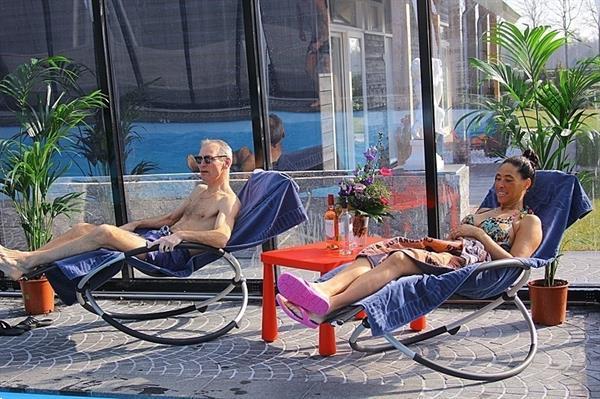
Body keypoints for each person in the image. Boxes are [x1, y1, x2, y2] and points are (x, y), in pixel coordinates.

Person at [276, 150, 544, 328]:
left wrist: (478, 234)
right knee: (380, 250)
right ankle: (323, 290)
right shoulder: (486, 210)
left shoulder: (528, 221)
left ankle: (327, 308)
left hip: (478, 270)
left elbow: (517, 264)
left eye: (509, 179)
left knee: (400, 259)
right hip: (450, 254)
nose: (500, 184)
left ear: (527, 185)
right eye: (498, 178)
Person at [0, 139, 241, 281]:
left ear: (226, 162)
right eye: (200, 159)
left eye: (208, 159)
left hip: (171, 254)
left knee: (105, 231)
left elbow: (221, 237)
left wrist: (182, 236)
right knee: (82, 227)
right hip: (155, 240)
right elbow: (168, 219)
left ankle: (25, 262)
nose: (201, 164)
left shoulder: (227, 200)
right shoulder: (199, 190)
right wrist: (135, 225)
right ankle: (24, 261)